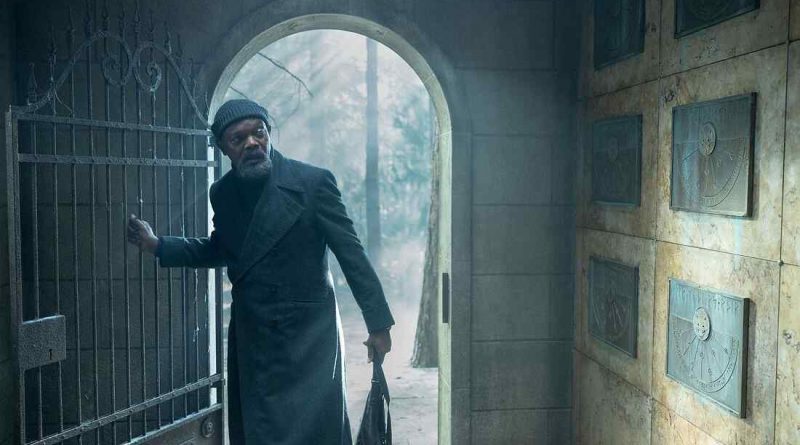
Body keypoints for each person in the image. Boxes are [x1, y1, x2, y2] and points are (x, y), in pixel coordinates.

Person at [126, 99, 394, 444]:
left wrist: (379, 324)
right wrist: (158, 244)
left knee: (315, 432)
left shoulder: (312, 183)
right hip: (254, 337)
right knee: (260, 432)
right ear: (224, 148)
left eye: (259, 133)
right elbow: (223, 248)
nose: (252, 143)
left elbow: (352, 254)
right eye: (238, 139)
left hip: (310, 340)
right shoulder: (223, 193)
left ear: (268, 134)